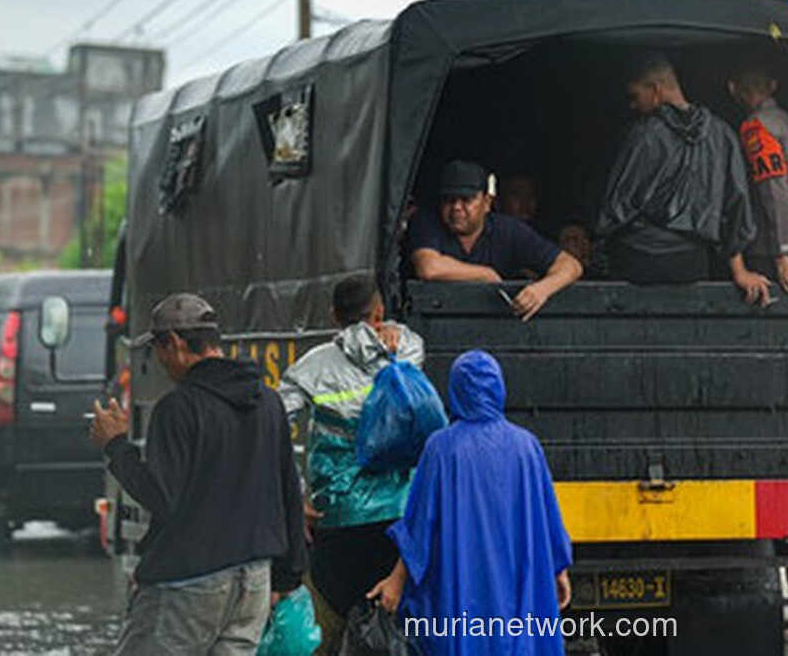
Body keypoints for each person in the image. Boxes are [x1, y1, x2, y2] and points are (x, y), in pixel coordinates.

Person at [89, 293, 306, 656]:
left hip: (187, 582)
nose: (158, 361)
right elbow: (288, 492)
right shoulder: (268, 402)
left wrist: (115, 446)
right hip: (253, 582)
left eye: (158, 349)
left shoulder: (178, 409)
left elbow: (162, 497)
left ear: (173, 343)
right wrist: (288, 576)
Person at [367, 350, 572, 656]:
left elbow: (420, 526)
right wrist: (559, 570)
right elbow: (547, 518)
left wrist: (396, 582)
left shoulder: (441, 448)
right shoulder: (526, 447)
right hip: (515, 580)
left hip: (462, 584)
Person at [277, 272, 425, 642]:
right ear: (378, 311)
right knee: (391, 631)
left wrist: (295, 495)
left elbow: (271, 429)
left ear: (333, 315)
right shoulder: (406, 348)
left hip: (338, 520)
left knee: (330, 623)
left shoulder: (312, 368)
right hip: (399, 518)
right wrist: (388, 327)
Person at [596, 52, 770, 303]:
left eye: (635, 96)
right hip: (691, 263)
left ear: (655, 90)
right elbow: (737, 203)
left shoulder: (643, 134)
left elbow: (617, 204)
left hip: (636, 260)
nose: (633, 105)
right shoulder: (721, 133)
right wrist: (739, 270)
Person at [408, 160, 583, 320]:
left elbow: (571, 266)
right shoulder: (427, 221)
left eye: (467, 200)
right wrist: (485, 274)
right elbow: (429, 267)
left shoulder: (508, 230)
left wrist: (542, 289)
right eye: (449, 200)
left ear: (487, 203)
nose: (456, 208)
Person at [728, 65, 788, 297]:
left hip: (769, 248)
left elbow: (774, 188)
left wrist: (782, 252)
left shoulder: (757, 126)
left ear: (733, 89)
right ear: (773, 86)